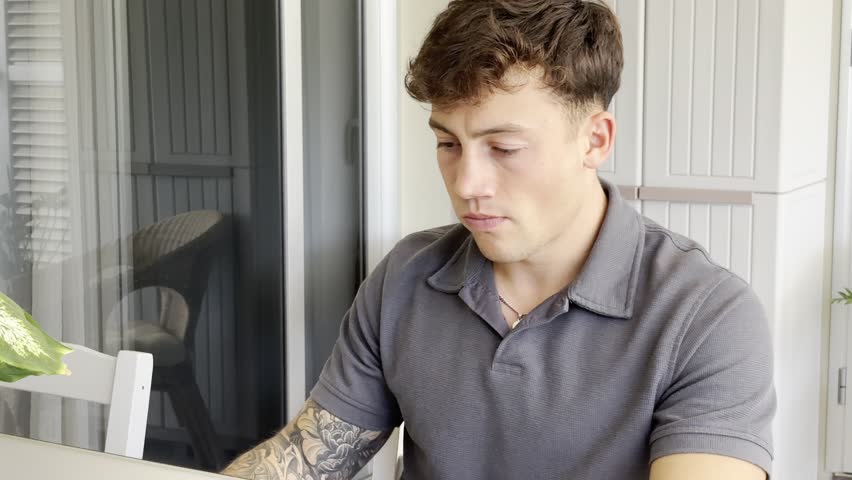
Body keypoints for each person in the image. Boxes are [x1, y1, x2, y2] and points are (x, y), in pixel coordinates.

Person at [222, 1, 775, 478]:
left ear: (594, 140)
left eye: (504, 149)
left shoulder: (706, 316)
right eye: (448, 144)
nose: (466, 185)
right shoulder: (407, 276)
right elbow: (306, 458)